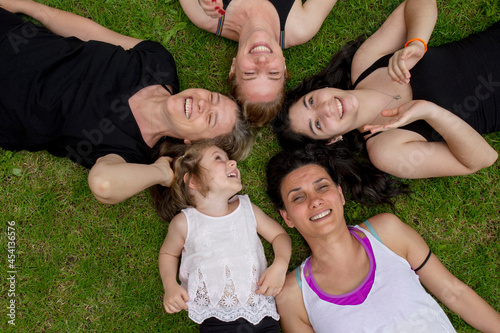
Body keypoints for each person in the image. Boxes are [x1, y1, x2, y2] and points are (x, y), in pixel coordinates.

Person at [0, 0, 252, 205]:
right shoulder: (158, 64)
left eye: (209, 118)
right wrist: (29, 7)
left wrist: (162, 173)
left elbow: (103, 183)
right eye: (212, 97)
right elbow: (91, 33)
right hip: (10, 34)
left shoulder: (131, 153)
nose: (202, 104)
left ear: (193, 143)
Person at [265, 145, 500, 332]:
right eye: (298, 198)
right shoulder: (293, 296)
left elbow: (454, 292)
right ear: (287, 218)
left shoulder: (387, 234)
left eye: (322, 187)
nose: (315, 201)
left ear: (340, 194)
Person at [274, 0, 499, 179]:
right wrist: (431, 112)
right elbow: (482, 159)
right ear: (332, 140)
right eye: (318, 124)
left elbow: (418, 3)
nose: (325, 109)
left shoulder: (365, 64)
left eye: (311, 102)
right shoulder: (386, 151)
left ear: (319, 89)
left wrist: (417, 43)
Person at [157, 141, 291, 332]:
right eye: (218, 158)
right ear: (193, 180)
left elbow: (279, 236)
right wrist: (170, 285)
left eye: (229, 159)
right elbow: (168, 254)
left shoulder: (247, 209)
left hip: (260, 312)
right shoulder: (184, 223)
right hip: (215, 319)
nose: (233, 163)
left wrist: (280, 265)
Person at [179, 0, 338, 128]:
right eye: (273, 73)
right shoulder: (301, 26)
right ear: (283, 66)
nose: (262, 62)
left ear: (233, 68)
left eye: (250, 74)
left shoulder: (204, 14)